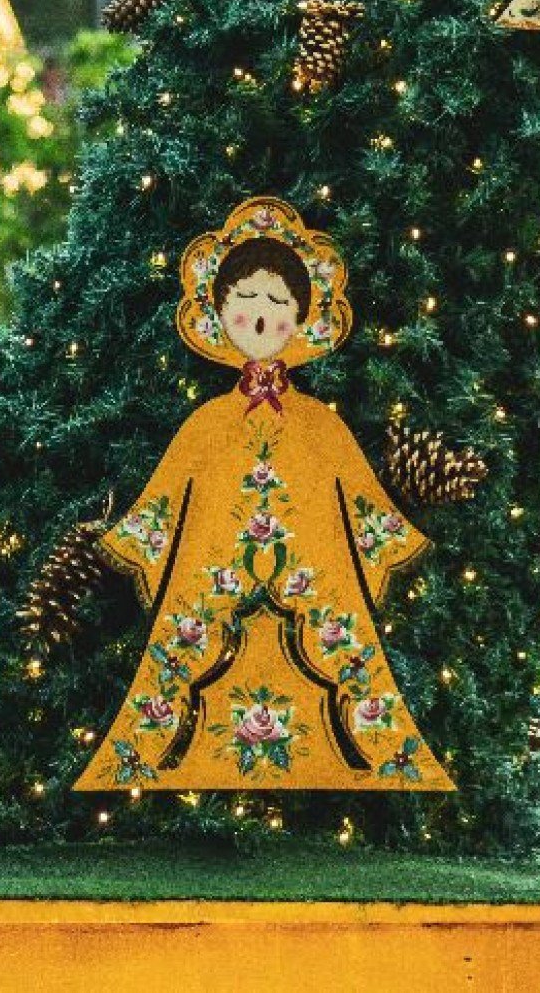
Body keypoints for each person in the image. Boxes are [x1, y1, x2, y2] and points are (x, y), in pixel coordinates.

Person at [74, 196, 452, 794]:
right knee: (186, 646)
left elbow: (364, 507)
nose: (258, 316)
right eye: (243, 301)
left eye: (276, 303)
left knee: (342, 646)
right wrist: (137, 537)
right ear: (218, 312)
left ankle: (374, 756)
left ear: (301, 319)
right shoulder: (204, 424)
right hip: (211, 565)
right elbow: (163, 503)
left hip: (314, 565)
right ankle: (152, 756)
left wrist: (376, 538)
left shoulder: (322, 426)